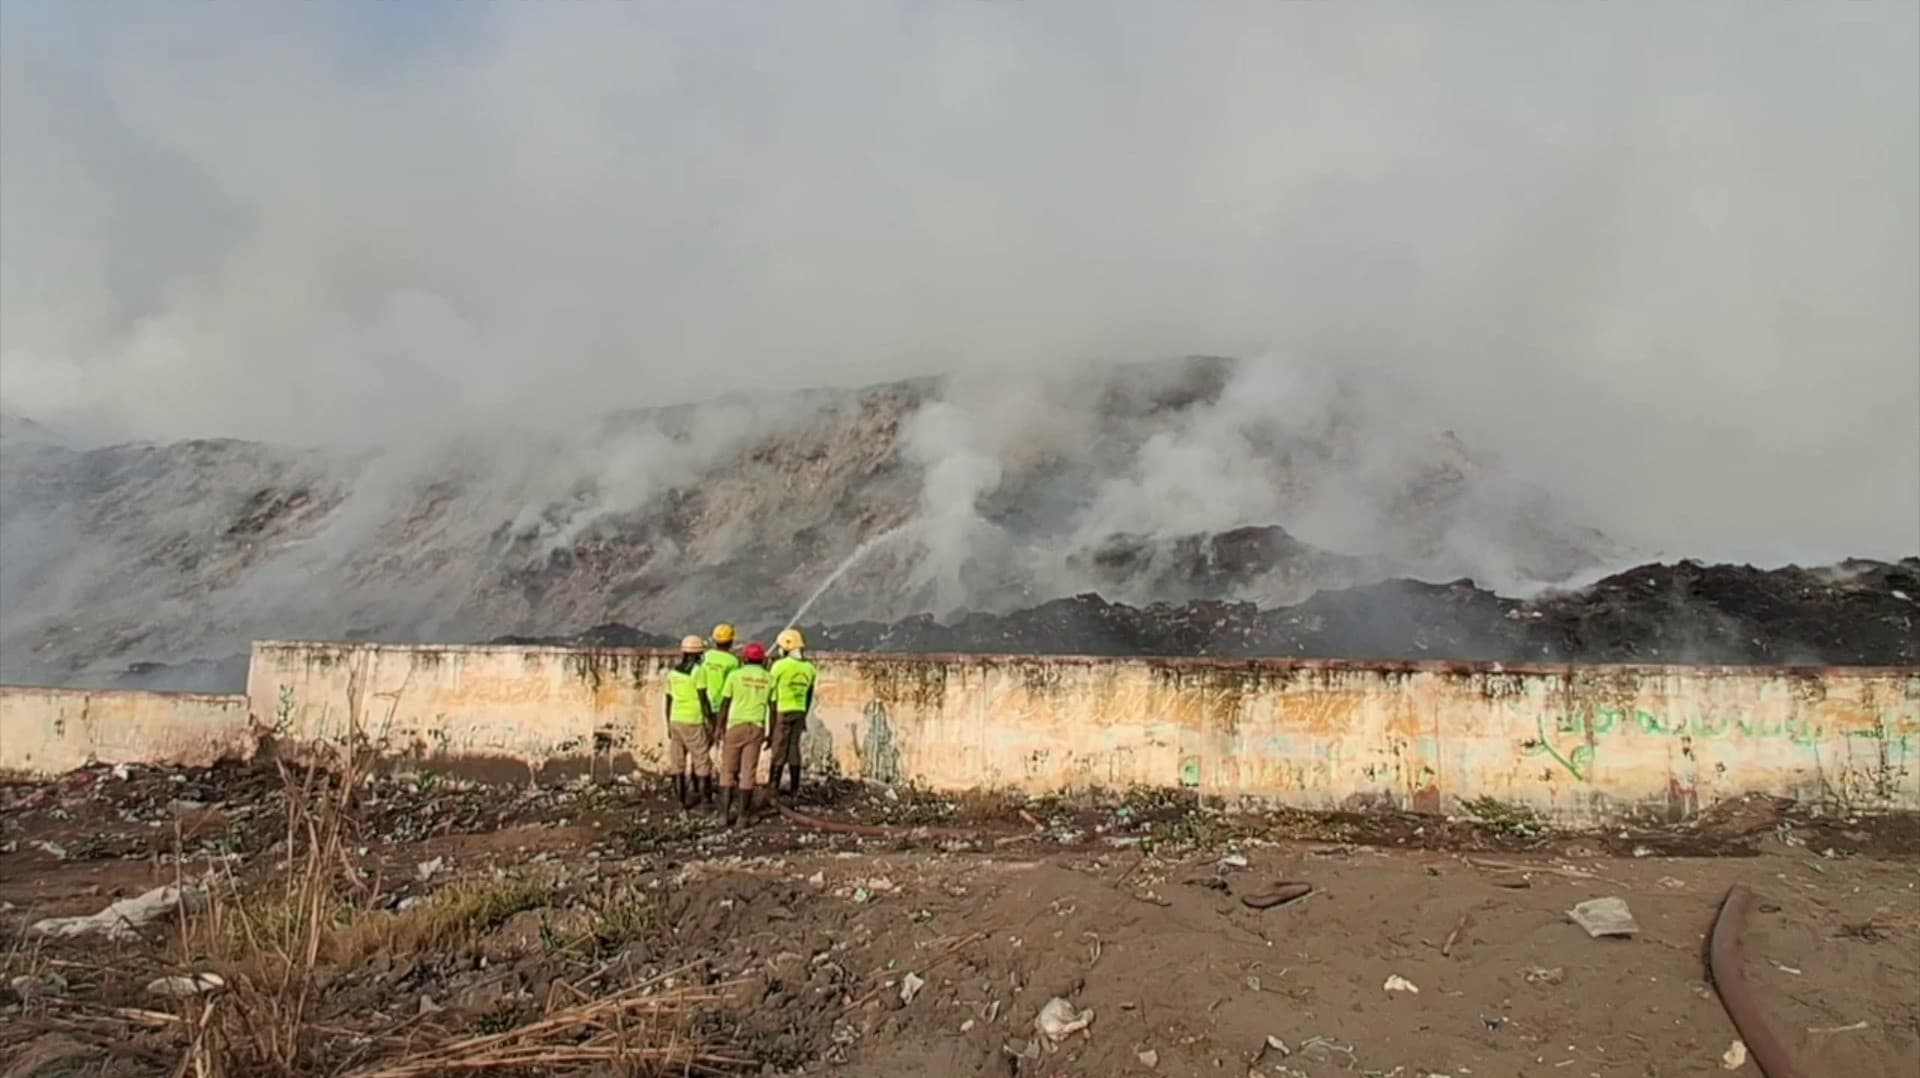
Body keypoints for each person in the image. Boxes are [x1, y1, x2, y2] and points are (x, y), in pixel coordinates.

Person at [714, 641, 775, 826]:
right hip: (756, 727)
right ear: (762, 660)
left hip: (735, 726)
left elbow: (725, 703)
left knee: (727, 771)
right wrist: (771, 732)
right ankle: (742, 817)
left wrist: (719, 727)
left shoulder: (735, 675)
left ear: (745, 658)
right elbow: (773, 708)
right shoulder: (769, 678)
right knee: (748, 772)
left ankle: (723, 816)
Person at [664, 635, 713, 809]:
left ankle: (680, 802)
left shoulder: (672, 673)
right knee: (701, 760)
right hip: (693, 719)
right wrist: (711, 720)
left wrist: (668, 723)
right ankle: (705, 800)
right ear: (699, 653)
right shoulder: (699, 671)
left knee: (677, 762)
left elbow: (668, 700)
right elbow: (703, 699)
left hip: (675, 719)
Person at [768, 628, 818, 797]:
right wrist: (804, 714)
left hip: (782, 710)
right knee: (793, 749)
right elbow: (809, 695)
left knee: (779, 749)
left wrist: (771, 723)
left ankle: (773, 786)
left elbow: (771, 694)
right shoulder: (809, 668)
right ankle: (794, 788)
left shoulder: (779, 666)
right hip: (800, 710)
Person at [698, 624, 740, 803]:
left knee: (702, 749)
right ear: (731, 641)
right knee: (726, 748)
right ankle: (727, 784)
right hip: (724, 708)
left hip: (704, 705)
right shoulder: (733, 662)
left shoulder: (705, 657)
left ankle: (703, 787)